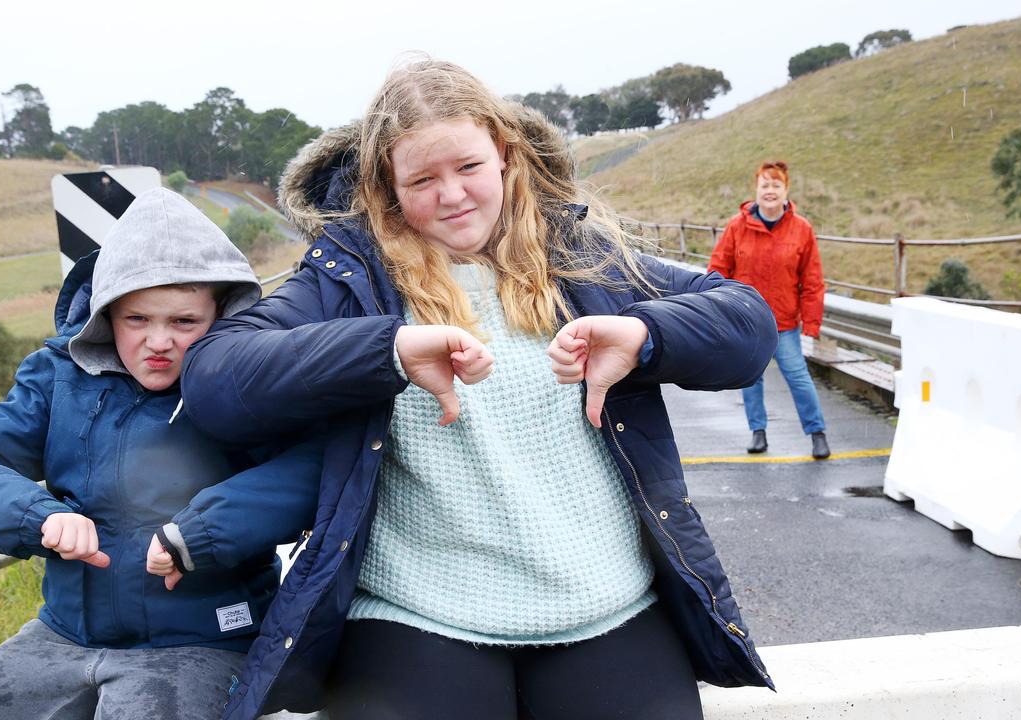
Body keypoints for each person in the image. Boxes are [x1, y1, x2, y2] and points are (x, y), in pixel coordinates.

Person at [180, 59, 778, 720]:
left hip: (608, 605)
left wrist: (644, 335)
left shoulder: (583, 254)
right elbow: (215, 377)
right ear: (386, 185)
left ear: (504, 151)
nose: (453, 196)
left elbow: (749, 325)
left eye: (468, 167)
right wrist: (387, 350)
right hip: (412, 615)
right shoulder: (346, 277)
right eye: (422, 179)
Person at [0, 187, 322, 720]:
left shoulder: (248, 380)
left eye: (183, 322)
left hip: (203, 642)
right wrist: (38, 515)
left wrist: (199, 534)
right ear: (107, 316)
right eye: (137, 320)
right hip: (62, 636)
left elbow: (312, 468)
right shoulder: (57, 377)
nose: (159, 341)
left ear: (222, 314)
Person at [708, 160, 831, 459]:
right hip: (748, 320)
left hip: (785, 323)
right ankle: (758, 432)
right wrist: (718, 309)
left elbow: (812, 281)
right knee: (751, 378)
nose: (770, 191)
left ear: (786, 190)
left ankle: (817, 433)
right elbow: (718, 269)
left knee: (798, 377)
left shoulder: (802, 230)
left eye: (776, 185)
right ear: (756, 189)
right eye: (765, 185)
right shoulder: (737, 227)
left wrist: (811, 325)